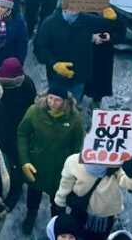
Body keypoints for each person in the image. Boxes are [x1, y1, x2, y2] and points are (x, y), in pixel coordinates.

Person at [17, 87, 85, 233]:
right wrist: (25, 161)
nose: (52, 103)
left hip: (60, 170)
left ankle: (56, 225)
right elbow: (22, 134)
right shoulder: (34, 111)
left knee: (58, 201)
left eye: (57, 99)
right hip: (36, 165)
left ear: (65, 101)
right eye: (50, 98)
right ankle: (31, 214)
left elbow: (77, 146)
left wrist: (73, 169)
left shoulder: (75, 118)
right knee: (34, 193)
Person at [54, 153, 132, 238]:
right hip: (80, 212)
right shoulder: (73, 161)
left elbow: (131, 185)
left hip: (105, 218)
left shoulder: (115, 164)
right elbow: (64, 187)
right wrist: (60, 208)